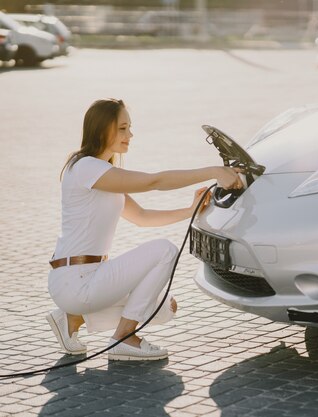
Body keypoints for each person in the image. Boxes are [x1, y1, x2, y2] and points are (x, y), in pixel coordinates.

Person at [46, 98, 242, 361]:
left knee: (164, 308)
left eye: (130, 128)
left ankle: (72, 318)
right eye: (123, 128)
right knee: (165, 251)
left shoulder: (102, 173)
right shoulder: (87, 168)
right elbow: (154, 181)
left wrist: (190, 210)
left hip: (85, 278)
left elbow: (141, 217)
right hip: (76, 279)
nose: (130, 135)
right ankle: (124, 339)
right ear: (103, 128)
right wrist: (214, 171)